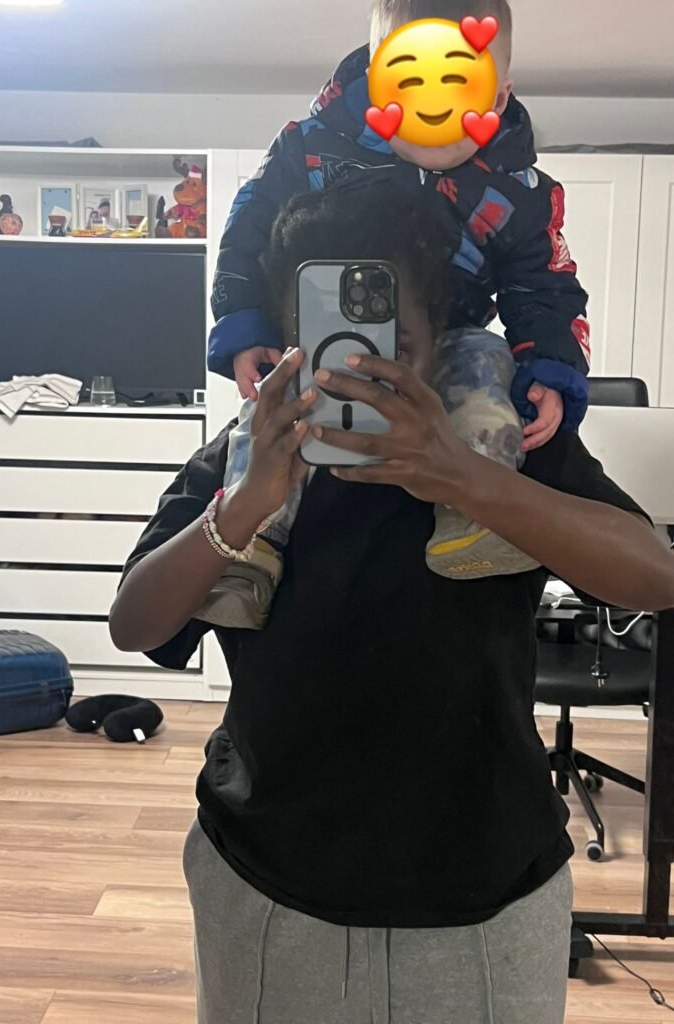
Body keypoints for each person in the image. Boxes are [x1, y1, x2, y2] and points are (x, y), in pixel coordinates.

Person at [109, 184, 674, 1024]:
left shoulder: (501, 442)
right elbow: (136, 625)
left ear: (438, 336)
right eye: (324, 339)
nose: (358, 367)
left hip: (486, 890)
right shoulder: (249, 452)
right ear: (287, 338)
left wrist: (463, 477)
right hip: (267, 881)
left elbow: (655, 576)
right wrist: (249, 502)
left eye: (391, 343)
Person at [204, 0, 593, 622]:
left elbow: (544, 281)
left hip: (451, 340)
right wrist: (244, 320)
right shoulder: (311, 150)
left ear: (498, 98)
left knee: (488, 371)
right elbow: (250, 231)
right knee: (270, 413)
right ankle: (253, 547)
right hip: (318, 331)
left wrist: (550, 363)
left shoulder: (519, 191)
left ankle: (475, 521)